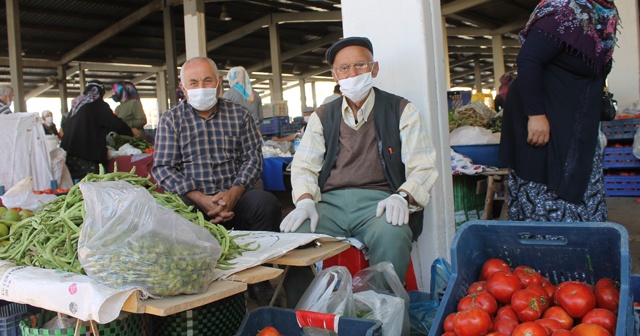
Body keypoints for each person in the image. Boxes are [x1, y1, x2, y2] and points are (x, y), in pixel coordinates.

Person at [280, 37, 439, 308]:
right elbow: (304, 165)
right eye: (344, 68)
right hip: (328, 204)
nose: (352, 74)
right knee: (292, 237)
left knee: (393, 234)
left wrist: (403, 196)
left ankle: (380, 315)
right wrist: (305, 200)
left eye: (360, 65)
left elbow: (422, 165)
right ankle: (305, 316)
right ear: (334, 74)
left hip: (379, 204)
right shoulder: (323, 116)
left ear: (374, 69)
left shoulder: (401, 110)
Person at [151, 56, 281, 306]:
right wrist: (200, 198)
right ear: (183, 88)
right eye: (194, 82)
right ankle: (194, 278)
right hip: (193, 201)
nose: (201, 87)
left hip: (236, 196)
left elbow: (253, 157)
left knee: (266, 203)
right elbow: (164, 168)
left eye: (207, 80)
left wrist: (234, 193)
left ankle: (259, 278)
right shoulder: (171, 120)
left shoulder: (239, 114)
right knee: (168, 212)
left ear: (219, 83)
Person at [499, 0, 618, 222]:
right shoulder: (562, 14)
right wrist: (536, 115)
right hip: (544, 123)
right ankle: (545, 253)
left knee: (581, 194)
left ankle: (580, 252)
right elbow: (528, 59)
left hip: (574, 126)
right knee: (545, 197)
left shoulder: (598, 16)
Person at [60, 80, 133, 181]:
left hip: (69, 155)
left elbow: (65, 125)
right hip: (87, 156)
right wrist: (131, 131)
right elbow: (116, 124)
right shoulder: (98, 105)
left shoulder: (77, 105)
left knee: (77, 186)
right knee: (91, 186)